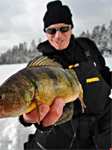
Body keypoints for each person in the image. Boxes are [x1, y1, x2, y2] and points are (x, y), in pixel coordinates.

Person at [19, 0, 112, 149]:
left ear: (71, 29)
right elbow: (25, 95)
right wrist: (26, 117)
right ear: (45, 32)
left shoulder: (87, 47)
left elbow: (104, 74)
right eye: (51, 30)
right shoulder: (42, 64)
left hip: (104, 122)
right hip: (64, 129)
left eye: (63, 28)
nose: (58, 35)